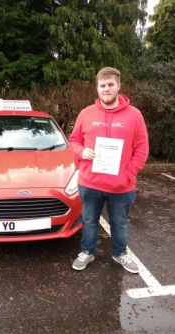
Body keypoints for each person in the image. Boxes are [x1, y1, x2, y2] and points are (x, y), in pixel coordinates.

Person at [69, 67, 149, 273]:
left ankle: (119, 253)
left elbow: (142, 149)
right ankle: (87, 252)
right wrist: (81, 151)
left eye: (110, 84)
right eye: (102, 85)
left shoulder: (135, 115)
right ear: (97, 88)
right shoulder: (86, 114)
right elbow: (73, 141)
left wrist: (128, 174)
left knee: (119, 224)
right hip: (90, 183)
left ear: (118, 86)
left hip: (122, 186)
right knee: (89, 221)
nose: (106, 89)